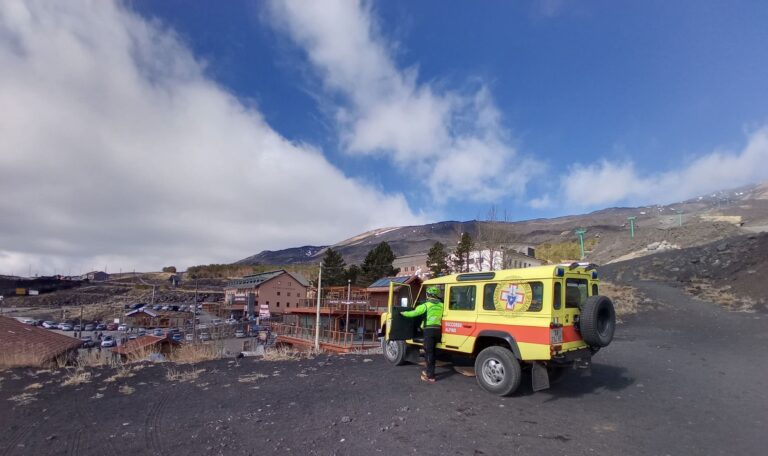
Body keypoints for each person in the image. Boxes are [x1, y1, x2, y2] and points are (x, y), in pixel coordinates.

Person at [400, 286, 444, 383]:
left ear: (429, 295)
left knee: (429, 353)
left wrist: (403, 313)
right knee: (433, 352)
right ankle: (429, 371)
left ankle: (430, 376)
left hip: (429, 330)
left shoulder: (426, 305)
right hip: (438, 330)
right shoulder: (442, 305)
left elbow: (414, 313)